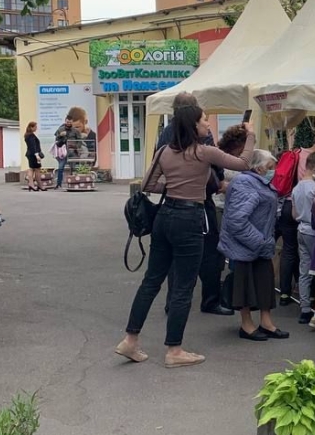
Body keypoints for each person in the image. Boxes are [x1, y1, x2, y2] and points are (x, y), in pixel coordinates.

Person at [115, 105, 255, 368]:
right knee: (183, 286)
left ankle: (130, 340)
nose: (207, 125)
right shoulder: (204, 152)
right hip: (190, 218)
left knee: (151, 281)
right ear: (193, 125)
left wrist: (172, 185)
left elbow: (147, 185)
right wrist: (250, 135)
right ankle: (174, 350)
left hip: (165, 217)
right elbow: (244, 163)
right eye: (204, 121)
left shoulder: (165, 152)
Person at [155, 93, 232, 316]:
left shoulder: (166, 132)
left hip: (171, 200)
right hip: (199, 200)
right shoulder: (200, 133)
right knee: (209, 253)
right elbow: (215, 164)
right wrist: (219, 181)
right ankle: (210, 300)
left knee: (174, 257)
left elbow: (157, 164)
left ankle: (173, 301)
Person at [219, 149, 289, 342]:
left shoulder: (256, 181)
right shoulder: (245, 183)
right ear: (258, 167)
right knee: (246, 284)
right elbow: (237, 220)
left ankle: (266, 322)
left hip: (259, 243)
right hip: (248, 244)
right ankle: (246, 324)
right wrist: (258, 240)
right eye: (270, 167)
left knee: (264, 282)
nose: (273, 171)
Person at [279, 129, 315, 308]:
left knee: (297, 261)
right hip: (313, 228)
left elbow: (295, 214)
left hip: (299, 225)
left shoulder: (298, 160)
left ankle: (297, 301)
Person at [292, 152, 315, 324]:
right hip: (314, 232)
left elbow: (294, 214)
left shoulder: (297, 187)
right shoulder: (314, 188)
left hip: (301, 229)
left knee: (304, 270)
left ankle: (304, 308)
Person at [52, 109, 85, 189]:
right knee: (60, 167)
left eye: (70, 122)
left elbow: (79, 141)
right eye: (67, 122)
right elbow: (56, 140)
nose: (68, 123)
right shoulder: (60, 129)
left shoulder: (75, 131)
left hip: (72, 151)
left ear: (72, 122)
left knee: (73, 167)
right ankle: (59, 184)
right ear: (65, 121)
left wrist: (76, 147)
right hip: (63, 152)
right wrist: (60, 135)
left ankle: (74, 183)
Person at [23, 122, 45, 192]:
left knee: (31, 169)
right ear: (31, 127)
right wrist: (37, 155)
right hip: (34, 155)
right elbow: (33, 146)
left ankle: (31, 184)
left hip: (30, 154)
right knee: (37, 170)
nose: (36, 128)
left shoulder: (27, 135)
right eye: (35, 127)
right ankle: (39, 185)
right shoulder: (31, 136)